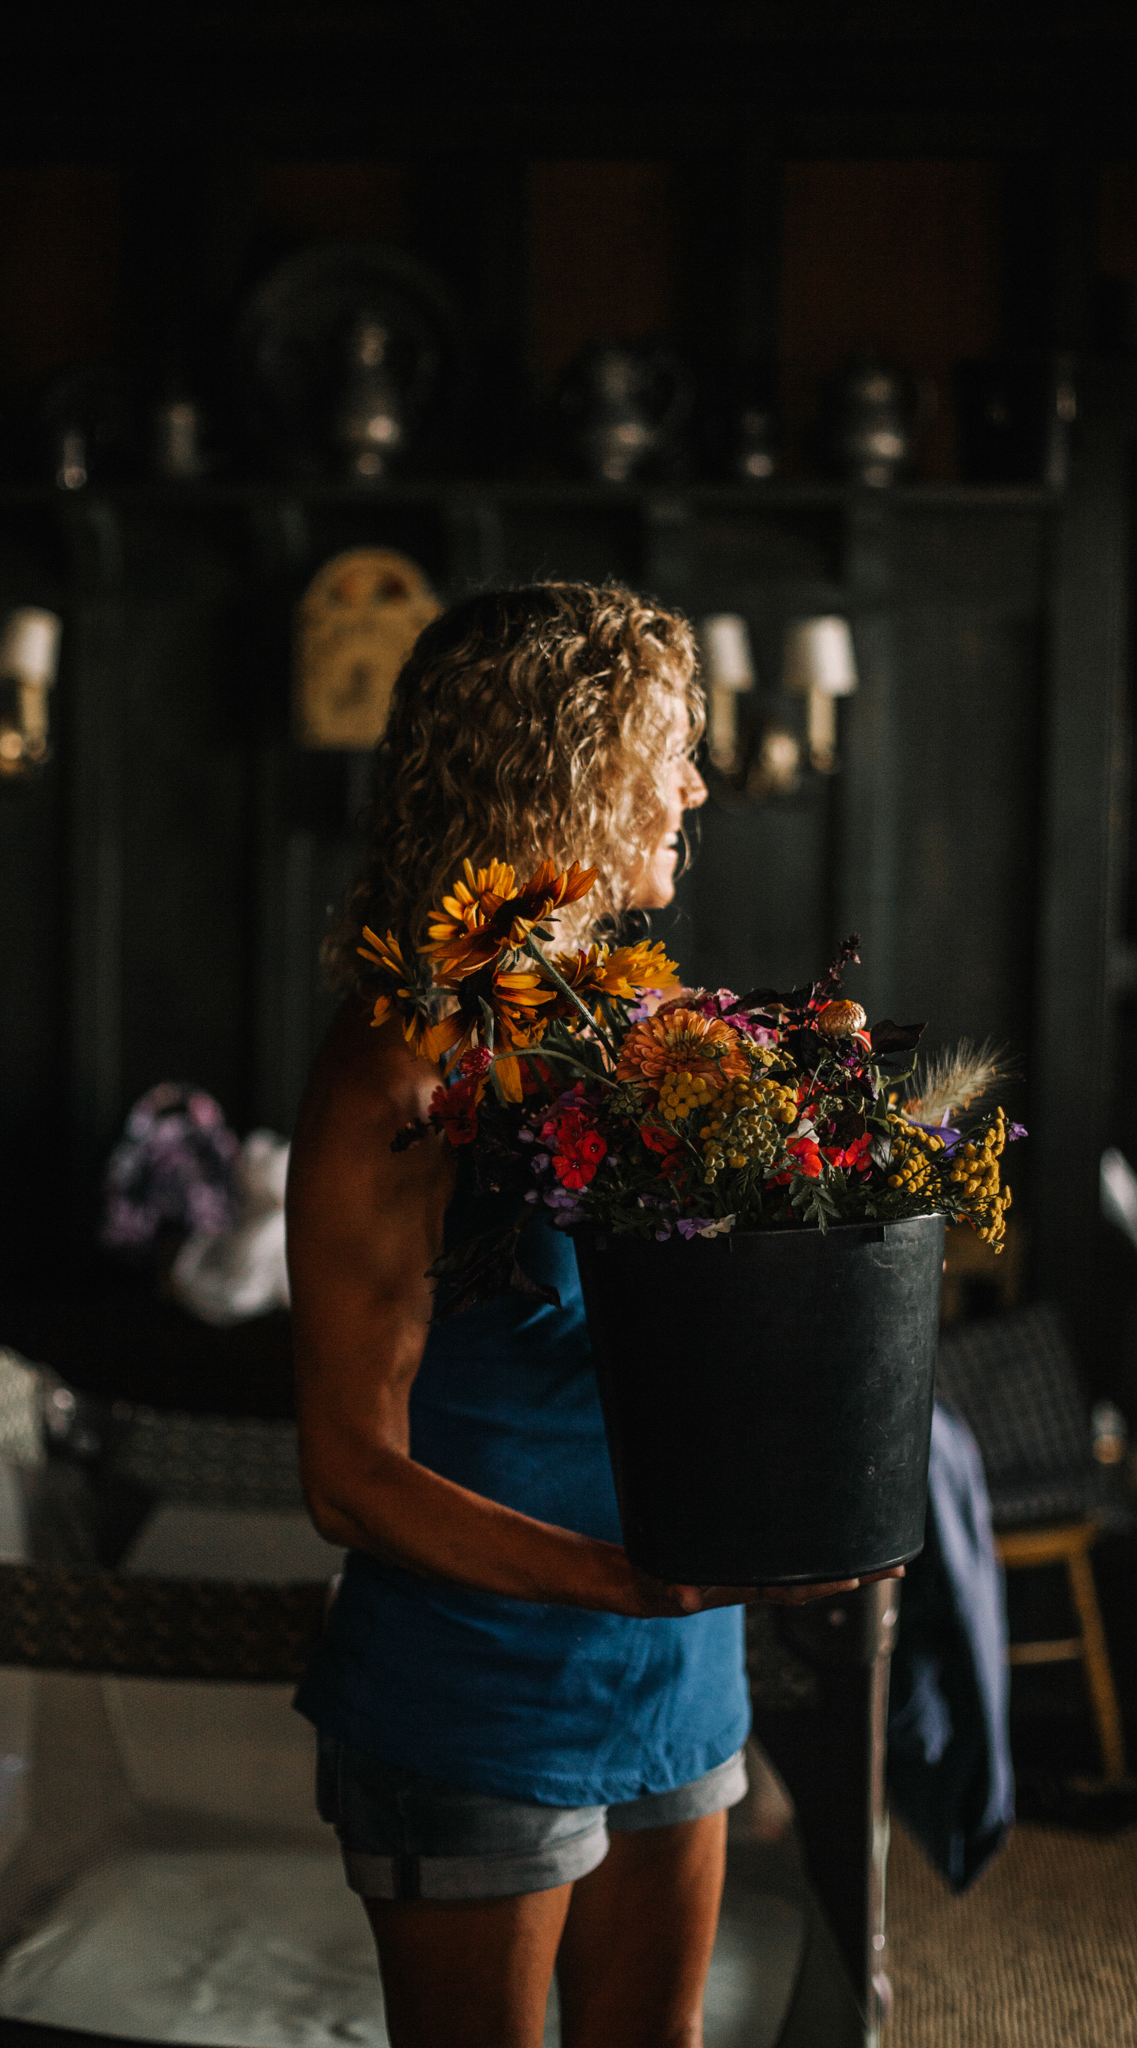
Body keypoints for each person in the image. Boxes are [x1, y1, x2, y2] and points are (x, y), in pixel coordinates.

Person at [288, 582, 895, 2048]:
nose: (696, 786)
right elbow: (345, 1478)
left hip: (671, 1667)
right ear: (567, 770)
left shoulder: (623, 1024)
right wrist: (622, 1579)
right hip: (478, 1686)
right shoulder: (402, 1065)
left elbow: (691, 1336)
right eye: (668, 753)